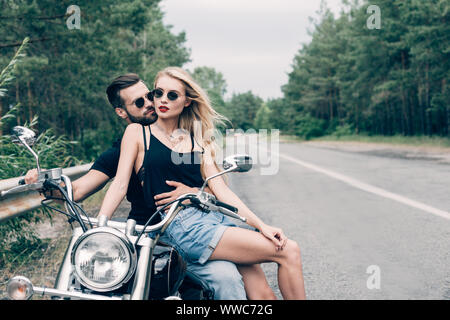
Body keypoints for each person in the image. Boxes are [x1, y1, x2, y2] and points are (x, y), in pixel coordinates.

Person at [24, 73, 267, 300]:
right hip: (145, 232)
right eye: (139, 103)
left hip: (195, 231)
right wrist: (43, 184)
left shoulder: (189, 137)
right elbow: (79, 190)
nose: (150, 104)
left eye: (150, 95)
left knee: (228, 280)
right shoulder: (124, 146)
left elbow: (221, 190)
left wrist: (195, 192)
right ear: (122, 112)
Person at [97, 67, 306, 299]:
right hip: (182, 226)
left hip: (214, 219)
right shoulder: (138, 133)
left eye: (172, 95)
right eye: (158, 93)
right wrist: (98, 230)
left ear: (186, 101)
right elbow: (119, 185)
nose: (163, 100)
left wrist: (260, 225)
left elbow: (222, 191)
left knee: (262, 294)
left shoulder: (198, 139)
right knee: (289, 251)